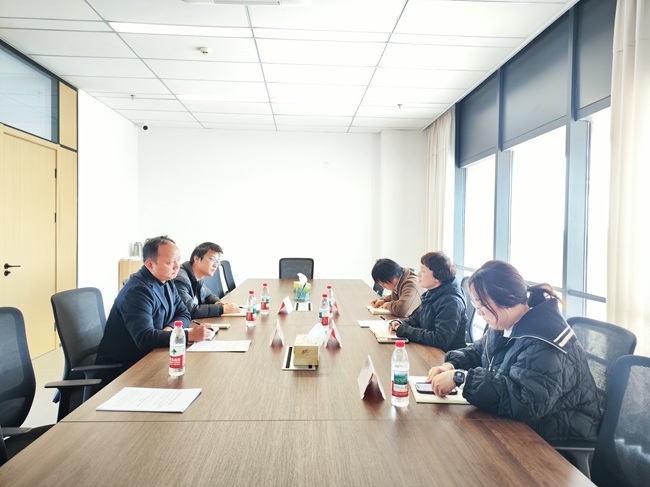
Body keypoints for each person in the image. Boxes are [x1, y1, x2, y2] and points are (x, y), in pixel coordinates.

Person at [427, 260, 602, 443]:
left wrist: (461, 378)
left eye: (481, 305)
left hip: (554, 436)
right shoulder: (505, 322)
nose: (478, 313)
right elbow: (480, 351)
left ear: (507, 298)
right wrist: (451, 365)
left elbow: (525, 401)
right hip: (518, 424)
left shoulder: (545, 340)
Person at [96, 236, 212, 374]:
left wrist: (171, 329)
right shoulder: (137, 291)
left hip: (153, 356)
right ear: (150, 264)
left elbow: (184, 313)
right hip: (125, 369)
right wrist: (188, 335)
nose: (177, 267)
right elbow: (145, 339)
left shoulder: (167, 280)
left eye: (178, 260)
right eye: (170, 262)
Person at [387, 252, 467, 351]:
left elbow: (440, 340)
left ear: (438, 277)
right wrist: (400, 323)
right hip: (429, 349)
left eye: (423, 271)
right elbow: (416, 319)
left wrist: (403, 330)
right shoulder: (432, 293)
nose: (418, 275)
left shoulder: (451, 302)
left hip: (445, 356)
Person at [174, 242, 239, 319]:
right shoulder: (181, 279)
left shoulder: (198, 276)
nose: (215, 265)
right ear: (196, 259)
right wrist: (222, 309)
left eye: (217, 261)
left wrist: (217, 302)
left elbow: (208, 295)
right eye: (212, 259)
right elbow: (189, 310)